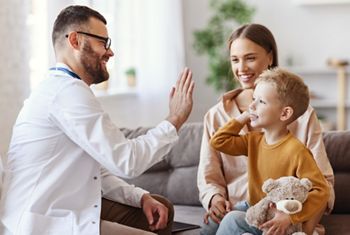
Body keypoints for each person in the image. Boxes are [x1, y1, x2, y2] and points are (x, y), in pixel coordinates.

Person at [0, 5, 194, 235]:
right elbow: (126, 161)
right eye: (104, 42)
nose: (110, 52)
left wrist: (140, 197)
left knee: (161, 206)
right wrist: (175, 119)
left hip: (63, 211)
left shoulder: (65, 89)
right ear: (75, 41)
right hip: (42, 224)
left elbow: (95, 170)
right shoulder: (66, 92)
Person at [197, 23, 334, 235]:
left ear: (269, 57)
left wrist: (297, 221)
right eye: (235, 60)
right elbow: (210, 172)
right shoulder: (218, 117)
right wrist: (214, 198)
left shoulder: (302, 118)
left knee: (234, 222)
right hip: (241, 208)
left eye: (250, 58)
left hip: (282, 213)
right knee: (210, 227)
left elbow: (323, 186)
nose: (241, 68)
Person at [210, 68, 330, 235]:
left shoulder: (297, 151)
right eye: (254, 99)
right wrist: (243, 117)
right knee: (213, 221)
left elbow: (322, 191)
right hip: (255, 207)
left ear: (285, 113)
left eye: (261, 102)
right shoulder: (253, 140)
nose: (251, 106)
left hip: (275, 216)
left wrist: (290, 218)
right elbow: (218, 141)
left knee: (231, 220)